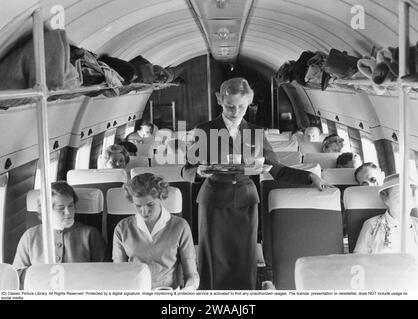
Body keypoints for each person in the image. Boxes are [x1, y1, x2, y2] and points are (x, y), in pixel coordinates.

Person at [182, 77, 331, 290]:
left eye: (241, 106)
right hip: (212, 201)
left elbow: (276, 169)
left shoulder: (256, 132)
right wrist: (199, 171)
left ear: (249, 103)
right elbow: (186, 169)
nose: (235, 111)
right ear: (219, 100)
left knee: (244, 257)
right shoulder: (204, 129)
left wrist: (310, 177)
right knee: (213, 258)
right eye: (229, 106)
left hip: (245, 201)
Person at [112, 173, 199, 290]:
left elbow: (191, 274)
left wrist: (188, 290)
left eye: (150, 204)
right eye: (138, 206)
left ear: (161, 197)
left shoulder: (180, 226)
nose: (144, 211)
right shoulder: (122, 228)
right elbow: (119, 273)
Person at [13, 181, 107, 270]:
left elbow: (103, 274)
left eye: (71, 205)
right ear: (46, 210)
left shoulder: (90, 234)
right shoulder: (30, 236)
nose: (68, 212)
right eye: (60, 208)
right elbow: (19, 275)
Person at [354, 174, 418, 255]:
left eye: (409, 196)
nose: (405, 201)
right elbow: (359, 258)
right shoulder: (372, 225)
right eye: (399, 196)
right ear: (386, 200)